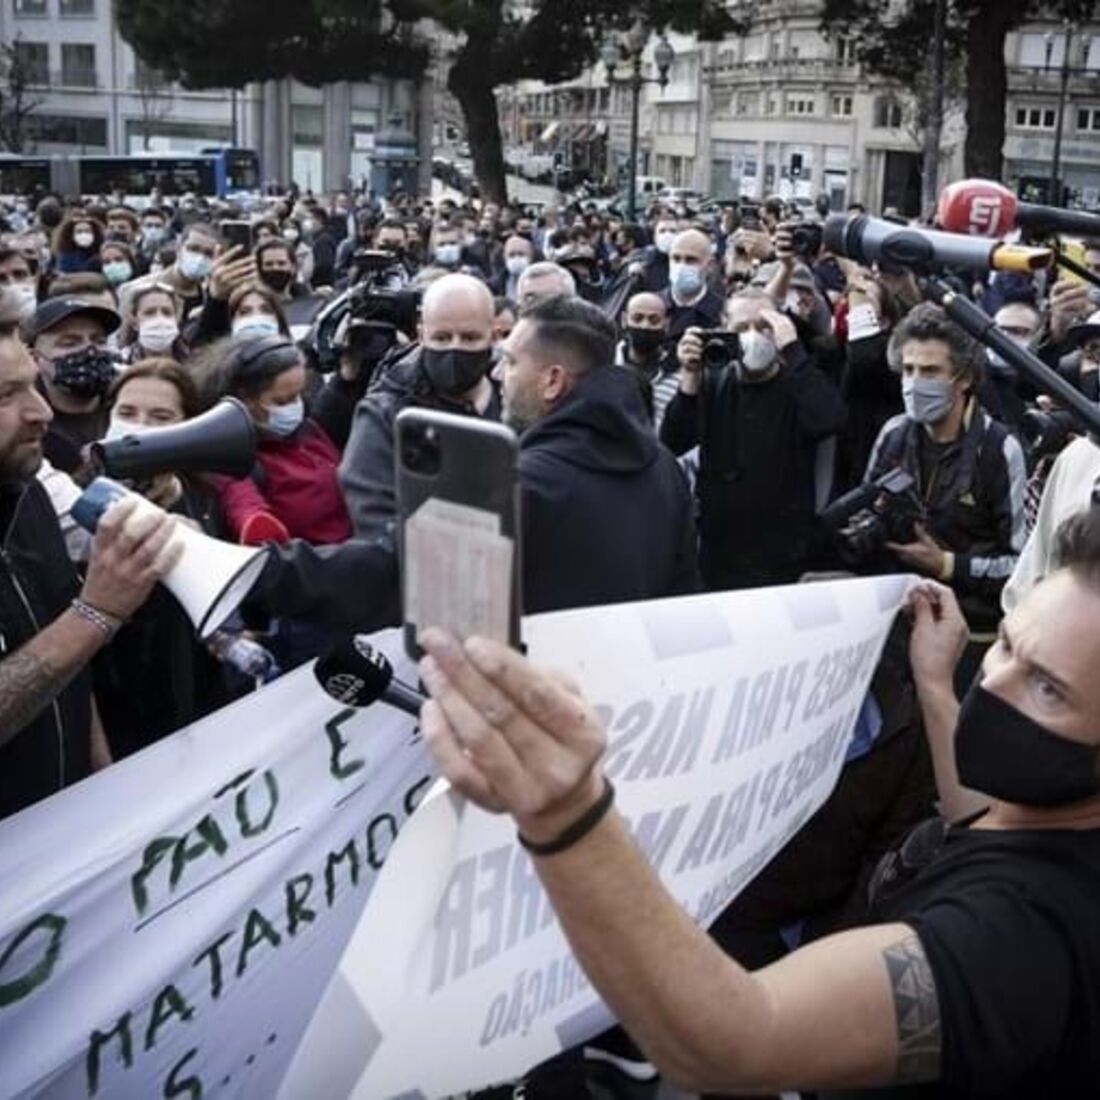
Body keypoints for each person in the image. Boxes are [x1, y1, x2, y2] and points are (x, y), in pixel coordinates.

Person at [415, 505, 1100, 1099]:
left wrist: (567, 815)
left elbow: (736, 1037)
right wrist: (933, 683)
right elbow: (977, 818)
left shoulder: (1025, 939)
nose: (996, 681)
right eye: (1007, 643)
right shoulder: (1039, 807)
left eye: (1048, 689)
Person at [0, 324, 181, 820]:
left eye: (33, 384)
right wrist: (97, 612)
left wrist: (100, 785)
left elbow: (66, 664)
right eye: (6, 395)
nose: (40, 412)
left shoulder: (29, 493)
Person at [493, 294, 699, 614]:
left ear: (552, 381)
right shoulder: (666, 468)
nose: (497, 374)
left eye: (510, 362)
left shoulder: (518, 481)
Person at [864, 303, 1026, 686]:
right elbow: (866, 515)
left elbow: (1021, 567)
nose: (915, 382)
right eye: (908, 370)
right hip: (899, 624)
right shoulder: (894, 434)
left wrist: (947, 564)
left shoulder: (1000, 450)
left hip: (972, 639)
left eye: (930, 371)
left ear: (964, 378)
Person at [92, 360, 236, 757]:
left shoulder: (206, 501)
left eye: (160, 418)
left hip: (198, 712)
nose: (140, 427)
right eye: (127, 413)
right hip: (119, 728)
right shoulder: (76, 505)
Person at [662, 288, 847, 590]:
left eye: (763, 327)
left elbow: (831, 418)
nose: (753, 336)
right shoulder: (714, 382)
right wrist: (690, 375)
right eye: (741, 328)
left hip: (785, 555)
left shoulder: (799, 383)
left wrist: (793, 350)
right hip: (721, 555)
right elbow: (673, 442)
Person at [340, 273, 500, 543]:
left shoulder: (516, 399)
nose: (455, 348)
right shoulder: (386, 413)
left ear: (493, 336)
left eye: (470, 338)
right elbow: (375, 518)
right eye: (442, 337)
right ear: (421, 335)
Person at [28, 296, 121, 476]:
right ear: (35, 358)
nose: (89, 350)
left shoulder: (131, 401)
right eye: (69, 343)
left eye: (99, 341)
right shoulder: (23, 422)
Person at [616, 291, 679, 430]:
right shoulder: (605, 364)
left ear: (666, 324)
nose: (645, 326)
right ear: (624, 320)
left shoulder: (680, 375)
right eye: (637, 318)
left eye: (654, 320)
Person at [662, 228, 724, 342]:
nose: (681, 266)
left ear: (710, 265)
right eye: (676, 258)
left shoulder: (721, 311)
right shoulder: (653, 306)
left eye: (691, 260)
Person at [123, 283, 187, 363]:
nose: (159, 319)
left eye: (167, 312)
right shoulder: (121, 361)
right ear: (134, 322)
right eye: (149, 313)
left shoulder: (193, 360)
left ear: (176, 319)